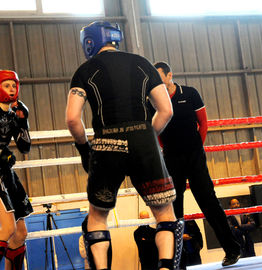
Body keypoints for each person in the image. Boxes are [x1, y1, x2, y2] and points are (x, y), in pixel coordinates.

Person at [66, 21, 184, 270]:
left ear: (89, 42)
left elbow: (72, 119)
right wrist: (145, 138)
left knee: (97, 217)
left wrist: (84, 149)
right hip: (144, 142)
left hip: (106, 143)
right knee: (165, 215)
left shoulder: (85, 70)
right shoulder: (143, 63)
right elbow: (166, 110)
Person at [150, 61, 240, 267]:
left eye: (159, 75)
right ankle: (176, 261)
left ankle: (233, 250)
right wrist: (166, 150)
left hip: (194, 156)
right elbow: (157, 130)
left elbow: (204, 122)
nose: (156, 80)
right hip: (171, 158)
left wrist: (197, 147)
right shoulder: (153, 101)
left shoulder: (190, 93)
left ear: (169, 75)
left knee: (209, 203)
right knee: (174, 208)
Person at [0, 70, 33, 269]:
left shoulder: (12, 115)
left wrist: (23, 121)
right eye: (6, 85)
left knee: (20, 234)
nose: (11, 89)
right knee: (8, 229)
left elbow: (24, 148)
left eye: (14, 85)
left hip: (6, 173)